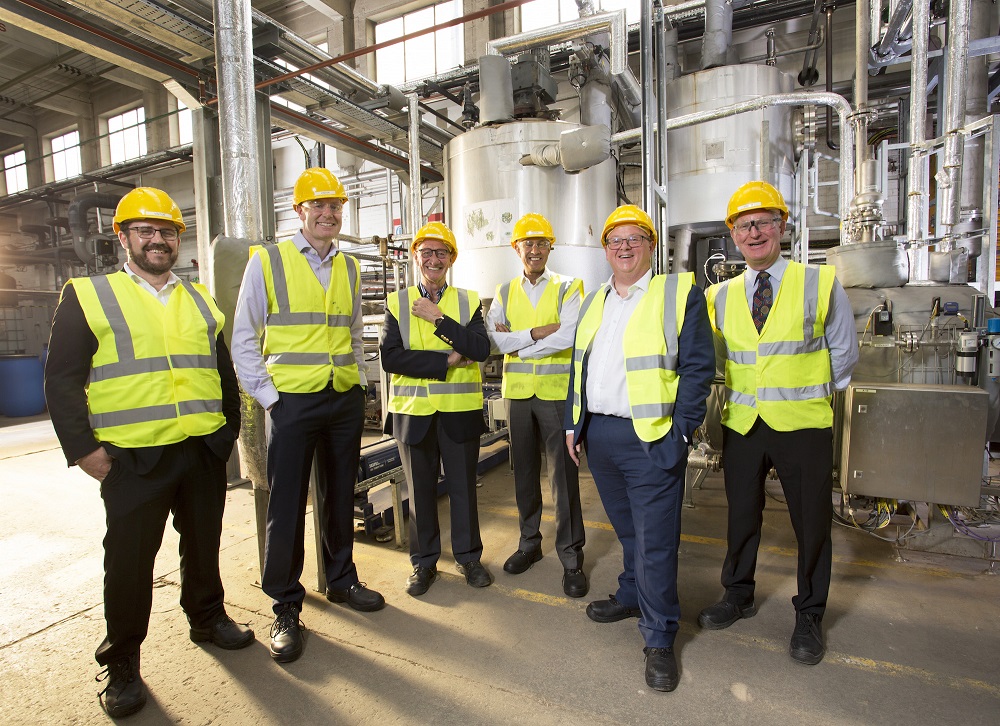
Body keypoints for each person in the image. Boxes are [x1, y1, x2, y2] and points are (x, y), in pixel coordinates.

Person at [44, 187, 252, 718]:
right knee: (130, 562)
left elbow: (222, 372)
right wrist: (83, 449)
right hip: (133, 456)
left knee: (203, 544)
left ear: (178, 240)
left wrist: (226, 430)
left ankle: (207, 619)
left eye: (166, 232)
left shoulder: (200, 298)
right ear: (123, 237)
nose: (157, 240)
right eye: (145, 231)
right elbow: (62, 379)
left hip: (201, 449)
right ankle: (123, 664)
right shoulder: (89, 294)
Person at [699, 181, 859, 666]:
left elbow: (845, 356)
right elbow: (719, 362)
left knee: (811, 524)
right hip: (744, 423)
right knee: (740, 517)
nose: (754, 232)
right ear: (732, 234)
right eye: (743, 225)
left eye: (763, 222)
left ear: (781, 226)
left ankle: (809, 612)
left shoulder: (820, 282)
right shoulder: (720, 296)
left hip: (803, 424)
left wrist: (801, 394)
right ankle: (738, 594)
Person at [231, 167, 384, 665]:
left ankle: (341, 580)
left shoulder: (351, 267)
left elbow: (356, 331)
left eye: (335, 205)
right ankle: (285, 605)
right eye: (317, 205)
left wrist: (360, 385)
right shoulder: (267, 261)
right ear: (298, 212)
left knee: (341, 495)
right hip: (292, 402)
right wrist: (271, 399)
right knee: (287, 505)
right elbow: (243, 339)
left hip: (342, 399)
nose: (328, 213)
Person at [565, 204, 715, 692]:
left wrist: (682, 432)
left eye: (634, 238)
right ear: (605, 249)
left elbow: (698, 369)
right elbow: (578, 368)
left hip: (651, 436)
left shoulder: (679, 291)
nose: (624, 246)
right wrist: (574, 426)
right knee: (629, 530)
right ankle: (632, 595)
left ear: (651, 245)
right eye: (615, 239)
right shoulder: (594, 301)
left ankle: (658, 637)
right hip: (600, 436)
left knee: (654, 543)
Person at [379, 221, 492, 597]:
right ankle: (424, 562)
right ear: (415, 257)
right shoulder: (396, 303)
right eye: (426, 252)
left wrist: (437, 319)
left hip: (458, 412)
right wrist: (445, 361)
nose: (433, 259)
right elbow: (391, 358)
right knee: (420, 491)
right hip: (413, 413)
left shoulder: (468, 300)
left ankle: (469, 556)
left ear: (451, 259)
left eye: (440, 253)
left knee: (462, 489)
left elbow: (478, 349)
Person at [486, 213, 587, 597]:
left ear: (550, 247)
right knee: (523, 474)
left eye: (541, 242)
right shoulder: (504, 290)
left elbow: (569, 334)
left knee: (564, 477)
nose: (534, 249)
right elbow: (494, 343)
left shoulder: (568, 286)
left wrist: (520, 340)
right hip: (517, 397)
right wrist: (535, 333)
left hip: (555, 395)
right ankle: (529, 544)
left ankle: (571, 557)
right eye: (527, 243)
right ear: (517, 248)